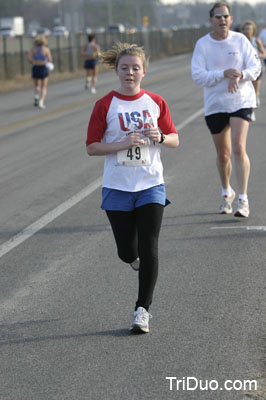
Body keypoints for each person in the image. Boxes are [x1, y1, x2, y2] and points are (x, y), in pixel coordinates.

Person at [86, 42, 179, 334]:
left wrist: (161, 137)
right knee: (127, 251)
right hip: (117, 186)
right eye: (124, 68)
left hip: (151, 183)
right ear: (116, 71)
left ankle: (142, 310)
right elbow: (91, 147)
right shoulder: (105, 105)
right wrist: (122, 144)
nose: (130, 73)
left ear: (144, 71)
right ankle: (132, 259)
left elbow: (175, 138)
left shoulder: (155, 102)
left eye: (135, 68)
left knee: (150, 246)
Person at [191, 1, 261, 218]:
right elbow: (198, 75)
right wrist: (223, 73)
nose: (222, 20)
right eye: (218, 16)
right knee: (223, 155)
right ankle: (226, 192)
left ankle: (243, 199)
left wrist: (241, 74)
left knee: (239, 148)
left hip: (241, 100)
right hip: (215, 104)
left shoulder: (240, 40)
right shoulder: (203, 45)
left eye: (225, 16)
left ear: (231, 20)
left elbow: (255, 66)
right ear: (211, 20)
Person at [242, 20, 265, 111]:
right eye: (246, 29)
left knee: (254, 91)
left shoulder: (257, 41)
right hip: (245, 69)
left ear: (253, 30)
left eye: (249, 29)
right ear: (243, 30)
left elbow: (264, 53)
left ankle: (252, 110)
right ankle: (249, 108)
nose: (248, 31)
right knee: (247, 91)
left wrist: (256, 56)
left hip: (257, 69)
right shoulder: (241, 41)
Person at [27, 35, 52, 109]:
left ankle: (36, 97)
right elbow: (50, 59)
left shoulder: (33, 49)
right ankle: (41, 101)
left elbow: (28, 57)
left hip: (35, 67)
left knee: (36, 85)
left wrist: (33, 62)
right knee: (43, 87)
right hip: (43, 67)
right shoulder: (46, 49)